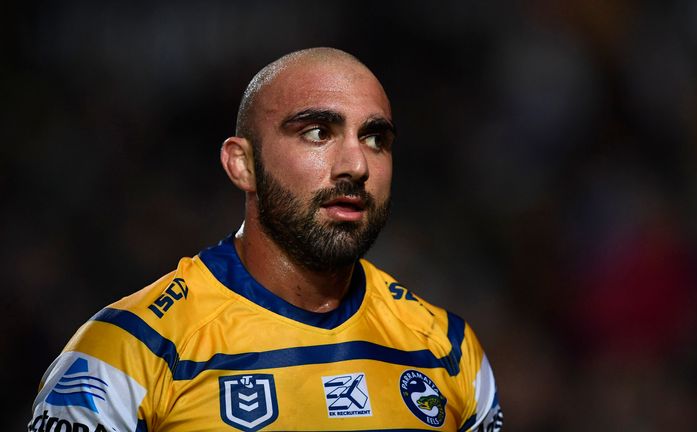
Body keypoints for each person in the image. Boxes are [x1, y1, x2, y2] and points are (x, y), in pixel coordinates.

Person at [29, 47, 503, 431]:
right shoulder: (128, 353)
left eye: (375, 139)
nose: (357, 165)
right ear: (242, 164)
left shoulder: (449, 351)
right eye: (318, 132)